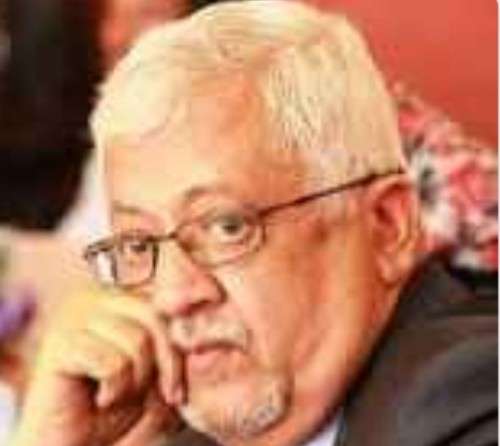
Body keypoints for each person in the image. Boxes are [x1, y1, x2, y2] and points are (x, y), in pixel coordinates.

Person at [12, 1, 497, 445]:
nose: (174, 296)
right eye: (138, 245)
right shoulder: (175, 430)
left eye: (226, 226)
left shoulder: (471, 394)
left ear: (386, 227)